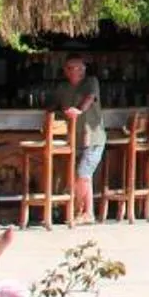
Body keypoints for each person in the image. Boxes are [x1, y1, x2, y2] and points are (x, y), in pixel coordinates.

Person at [49, 55, 106, 224]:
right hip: (74, 139)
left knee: (82, 175)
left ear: (84, 69)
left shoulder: (91, 82)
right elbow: (54, 104)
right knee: (82, 177)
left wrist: (79, 110)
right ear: (65, 71)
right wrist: (49, 114)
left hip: (93, 138)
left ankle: (77, 210)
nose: (75, 71)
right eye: (71, 68)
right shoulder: (63, 87)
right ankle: (88, 213)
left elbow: (90, 98)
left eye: (79, 68)